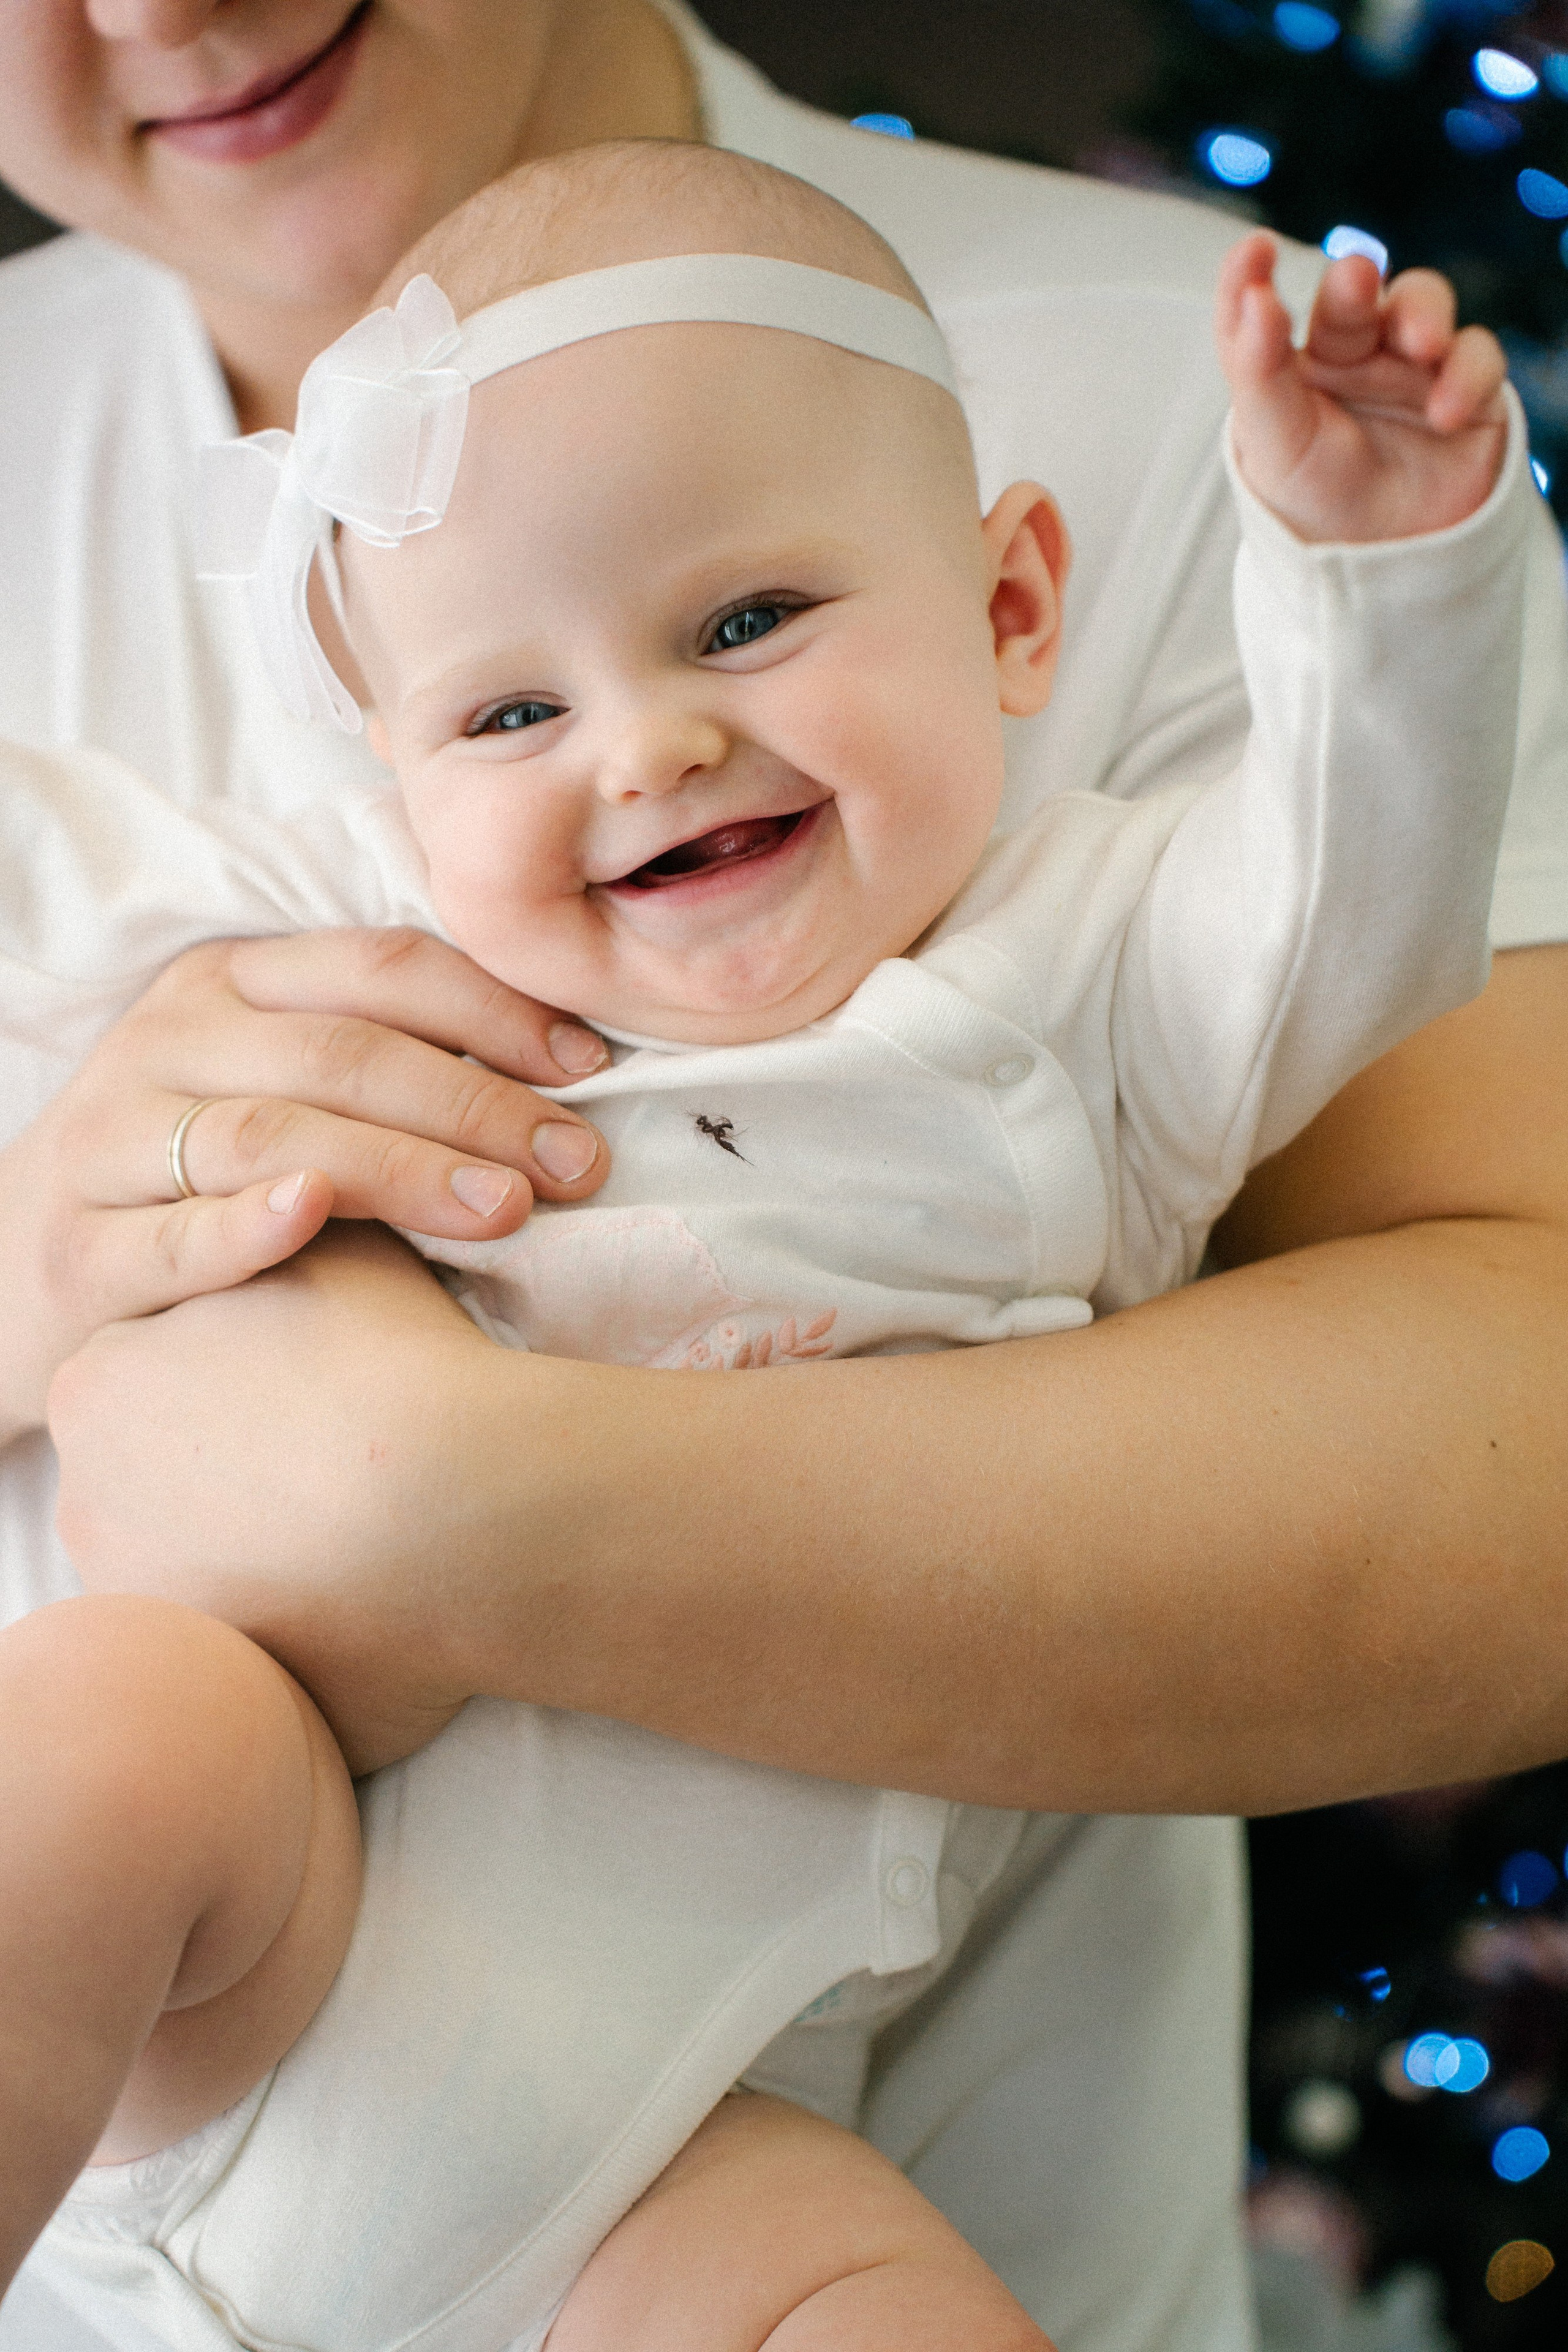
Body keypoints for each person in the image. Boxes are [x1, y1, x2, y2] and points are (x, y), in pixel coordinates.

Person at [0, 4, 1563, 2346]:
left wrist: (1382, 585)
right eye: (510, 714)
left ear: (1007, 607)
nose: (650, 750)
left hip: (675, 2142)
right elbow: (68, 875)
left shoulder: (1087, 943)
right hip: (241, 1951)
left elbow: (1354, 902)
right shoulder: (379, 887)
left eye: (747, 621)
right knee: (111, 1746)